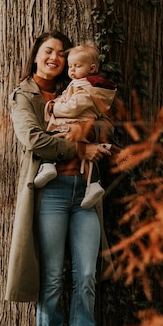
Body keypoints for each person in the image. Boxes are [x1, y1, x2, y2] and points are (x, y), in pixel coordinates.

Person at [5, 31, 112, 326]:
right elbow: (34, 140)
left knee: (85, 278)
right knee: (51, 280)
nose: (55, 58)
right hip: (49, 194)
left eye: (61, 53)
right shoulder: (25, 95)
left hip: (85, 194)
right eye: (48, 51)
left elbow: (106, 125)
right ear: (35, 55)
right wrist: (81, 147)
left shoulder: (78, 87)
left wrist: (90, 137)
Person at [33, 42, 117, 209]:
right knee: (88, 153)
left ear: (92, 68)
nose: (71, 70)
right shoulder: (81, 84)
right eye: (70, 66)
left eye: (77, 66)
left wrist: (54, 107)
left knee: (53, 135)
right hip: (79, 124)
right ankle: (92, 184)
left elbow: (73, 106)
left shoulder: (87, 87)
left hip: (77, 122)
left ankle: (49, 165)